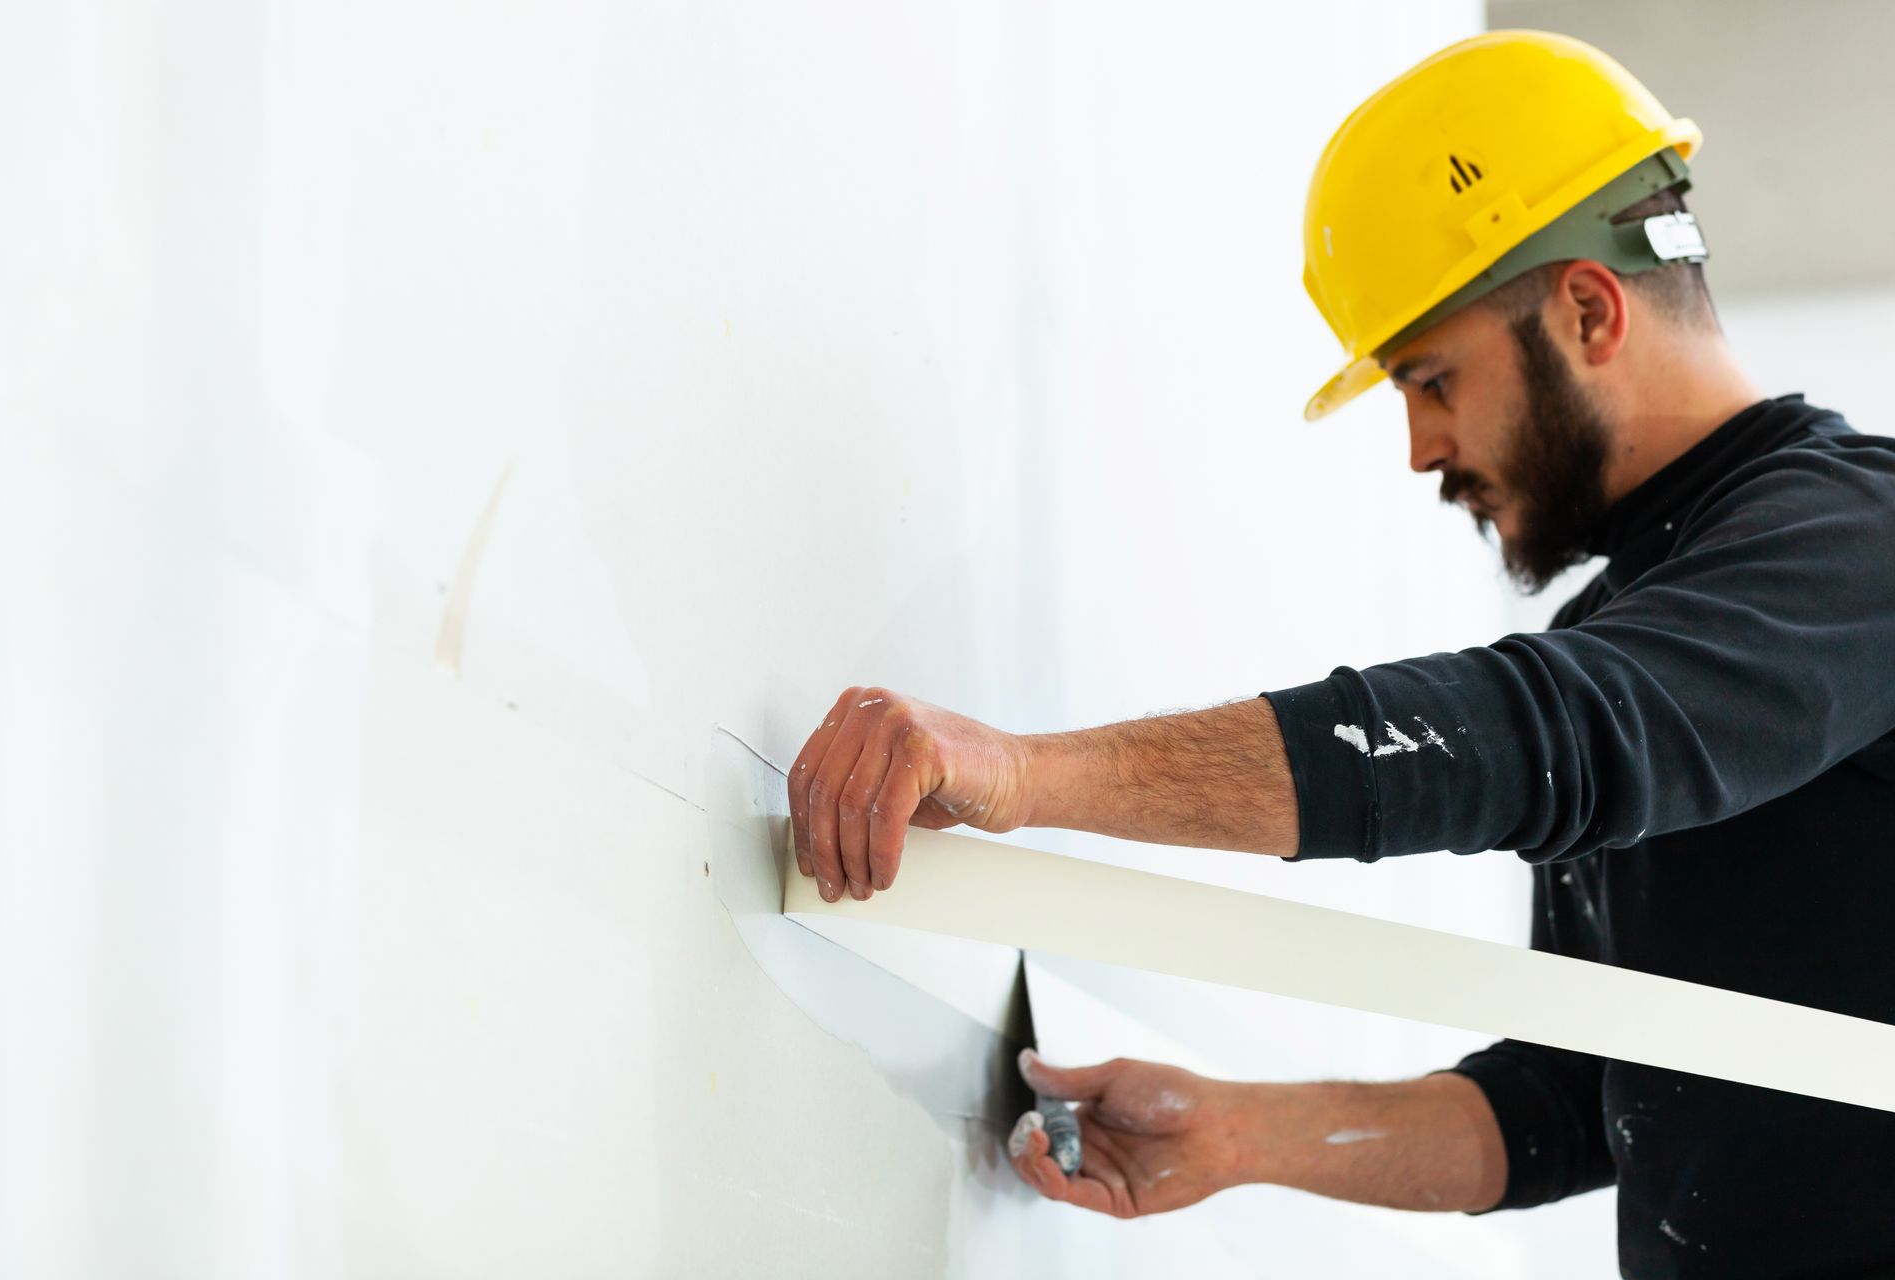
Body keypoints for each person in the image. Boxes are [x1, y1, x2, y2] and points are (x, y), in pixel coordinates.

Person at [787, 30, 1895, 1276]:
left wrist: (1026, 773)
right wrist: (1238, 1132)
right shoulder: (1622, 634)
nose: (1421, 449)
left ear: (1588, 306)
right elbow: (1570, 1097)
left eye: (1431, 378)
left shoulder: (1862, 537)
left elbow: (1556, 733)